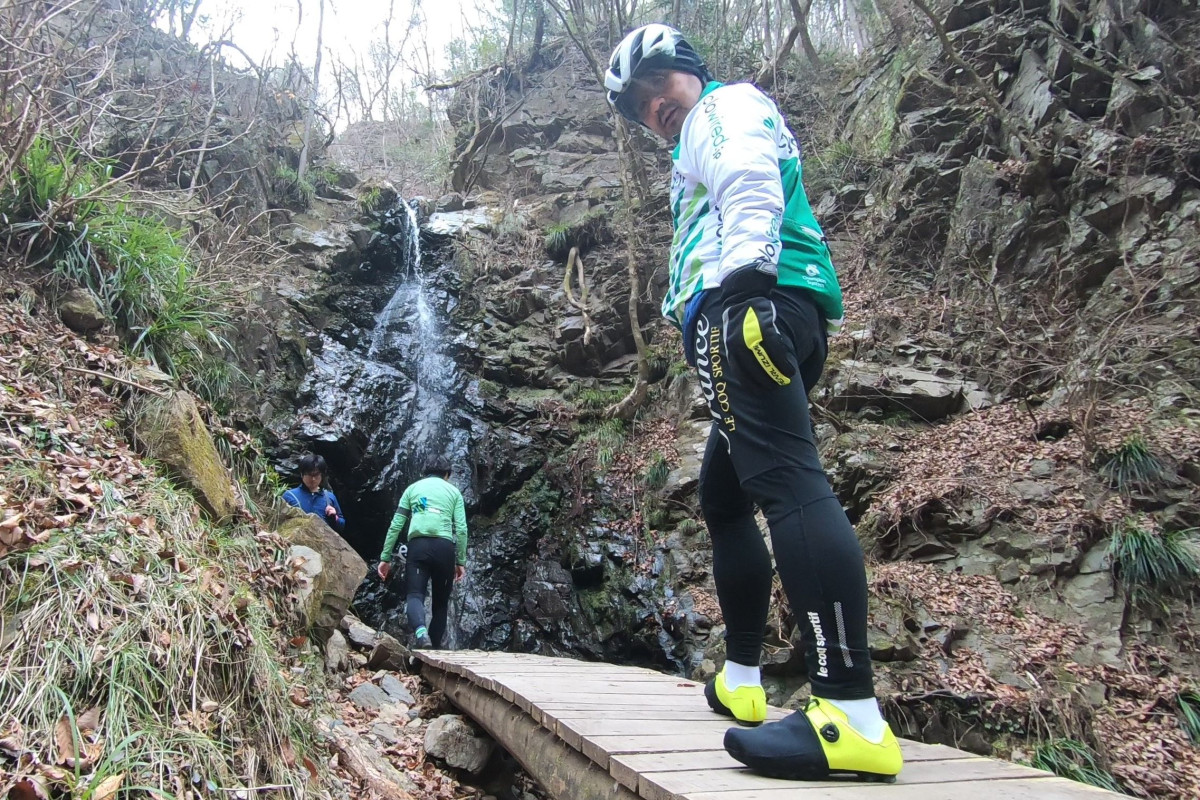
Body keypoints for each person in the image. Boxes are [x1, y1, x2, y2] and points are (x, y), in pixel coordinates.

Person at [602, 24, 903, 783]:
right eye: (639, 105)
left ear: (692, 74)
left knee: (789, 485)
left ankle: (849, 713)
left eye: (660, 84)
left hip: (751, 307)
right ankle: (742, 677)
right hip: (771, 310)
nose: (655, 106)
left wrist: (742, 283)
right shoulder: (693, 138)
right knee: (724, 496)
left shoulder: (723, 110)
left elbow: (746, 172)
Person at [376, 456, 468, 650]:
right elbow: (461, 529)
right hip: (445, 548)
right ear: (447, 475)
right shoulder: (454, 492)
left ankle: (420, 633)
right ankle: (433, 650)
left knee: (415, 595)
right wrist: (460, 560)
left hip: (417, 547)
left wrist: (385, 557)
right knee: (441, 604)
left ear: (425, 473)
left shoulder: (412, 489)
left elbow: (396, 525)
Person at [282, 453, 346, 533]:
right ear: (302, 474)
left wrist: (335, 517)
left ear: (322, 475)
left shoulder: (329, 497)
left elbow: (341, 526)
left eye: (316, 475)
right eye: (309, 474)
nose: (313, 479)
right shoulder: (289, 495)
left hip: (323, 542)